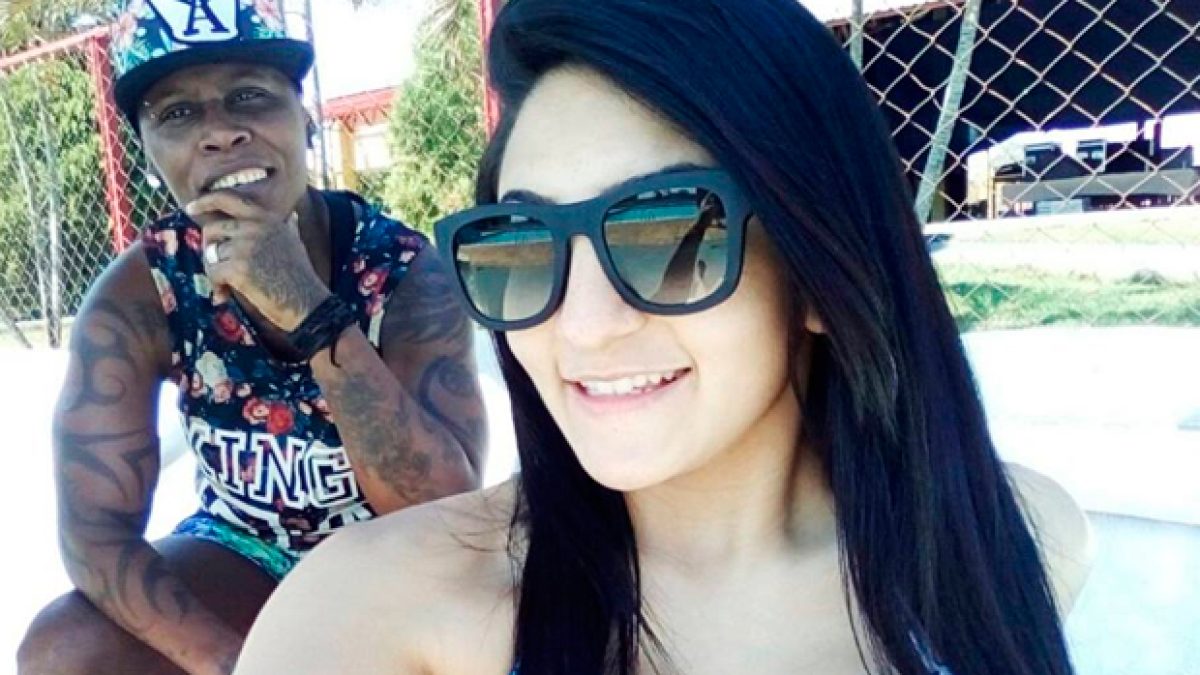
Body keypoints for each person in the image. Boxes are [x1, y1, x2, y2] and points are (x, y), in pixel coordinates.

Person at [235, 0, 1093, 673]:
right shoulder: (376, 611)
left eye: (668, 235)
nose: (582, 325)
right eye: (521, 247)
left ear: (820, 272)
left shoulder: (1011, 544)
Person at [17, 1, 486, 674]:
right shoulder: (143, 290)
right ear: (148, 153)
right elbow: (95, 531)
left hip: (395, 560)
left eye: (249, 96)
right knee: (64, 648)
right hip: (244, 551)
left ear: (306, 122)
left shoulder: (402, 270)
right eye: (178, 113)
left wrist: (309, 309)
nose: (220, 132)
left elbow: (444, 514)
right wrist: (237, 664)